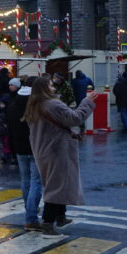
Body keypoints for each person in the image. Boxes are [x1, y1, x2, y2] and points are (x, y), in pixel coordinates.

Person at [25, 75, 96, 237]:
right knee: (56, 187)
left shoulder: (34, 104)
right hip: (56, 150)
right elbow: (76, 118)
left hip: (43, 150)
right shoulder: (52, 104)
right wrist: (87, 101)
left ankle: (59, 216)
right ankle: (48, 223)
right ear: (44, 88)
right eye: (50, 86)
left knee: (58, 184)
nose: (54, 88)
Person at [6, 76, 43, 231]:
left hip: (19, 147)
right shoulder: (38, 105)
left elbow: (9, 128)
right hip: (35, 147)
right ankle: (32, 216)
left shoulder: (13, 104)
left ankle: (30, 210)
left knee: (25, 180)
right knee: (36, 181)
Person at [0, 78, 20, 164]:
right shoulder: (7, 96)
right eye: (9, 85)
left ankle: (14, 155)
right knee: (6, 138)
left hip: (14, 120)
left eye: (12, 85)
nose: (10, 86)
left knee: (13, 139)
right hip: (6, 120)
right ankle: (7, 154)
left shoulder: (18, 97)